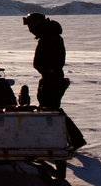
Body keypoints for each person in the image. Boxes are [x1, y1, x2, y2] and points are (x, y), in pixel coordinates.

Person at [23, 11, 87, 149]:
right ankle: (59, 139)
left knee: (51, 110)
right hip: (49, 77)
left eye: (31, 25)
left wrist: (48, 70)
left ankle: (75, 139)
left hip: (52, 78)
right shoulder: (48, 36)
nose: (30, 30)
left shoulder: (50, 38)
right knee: (49, 109)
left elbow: (56, 60)